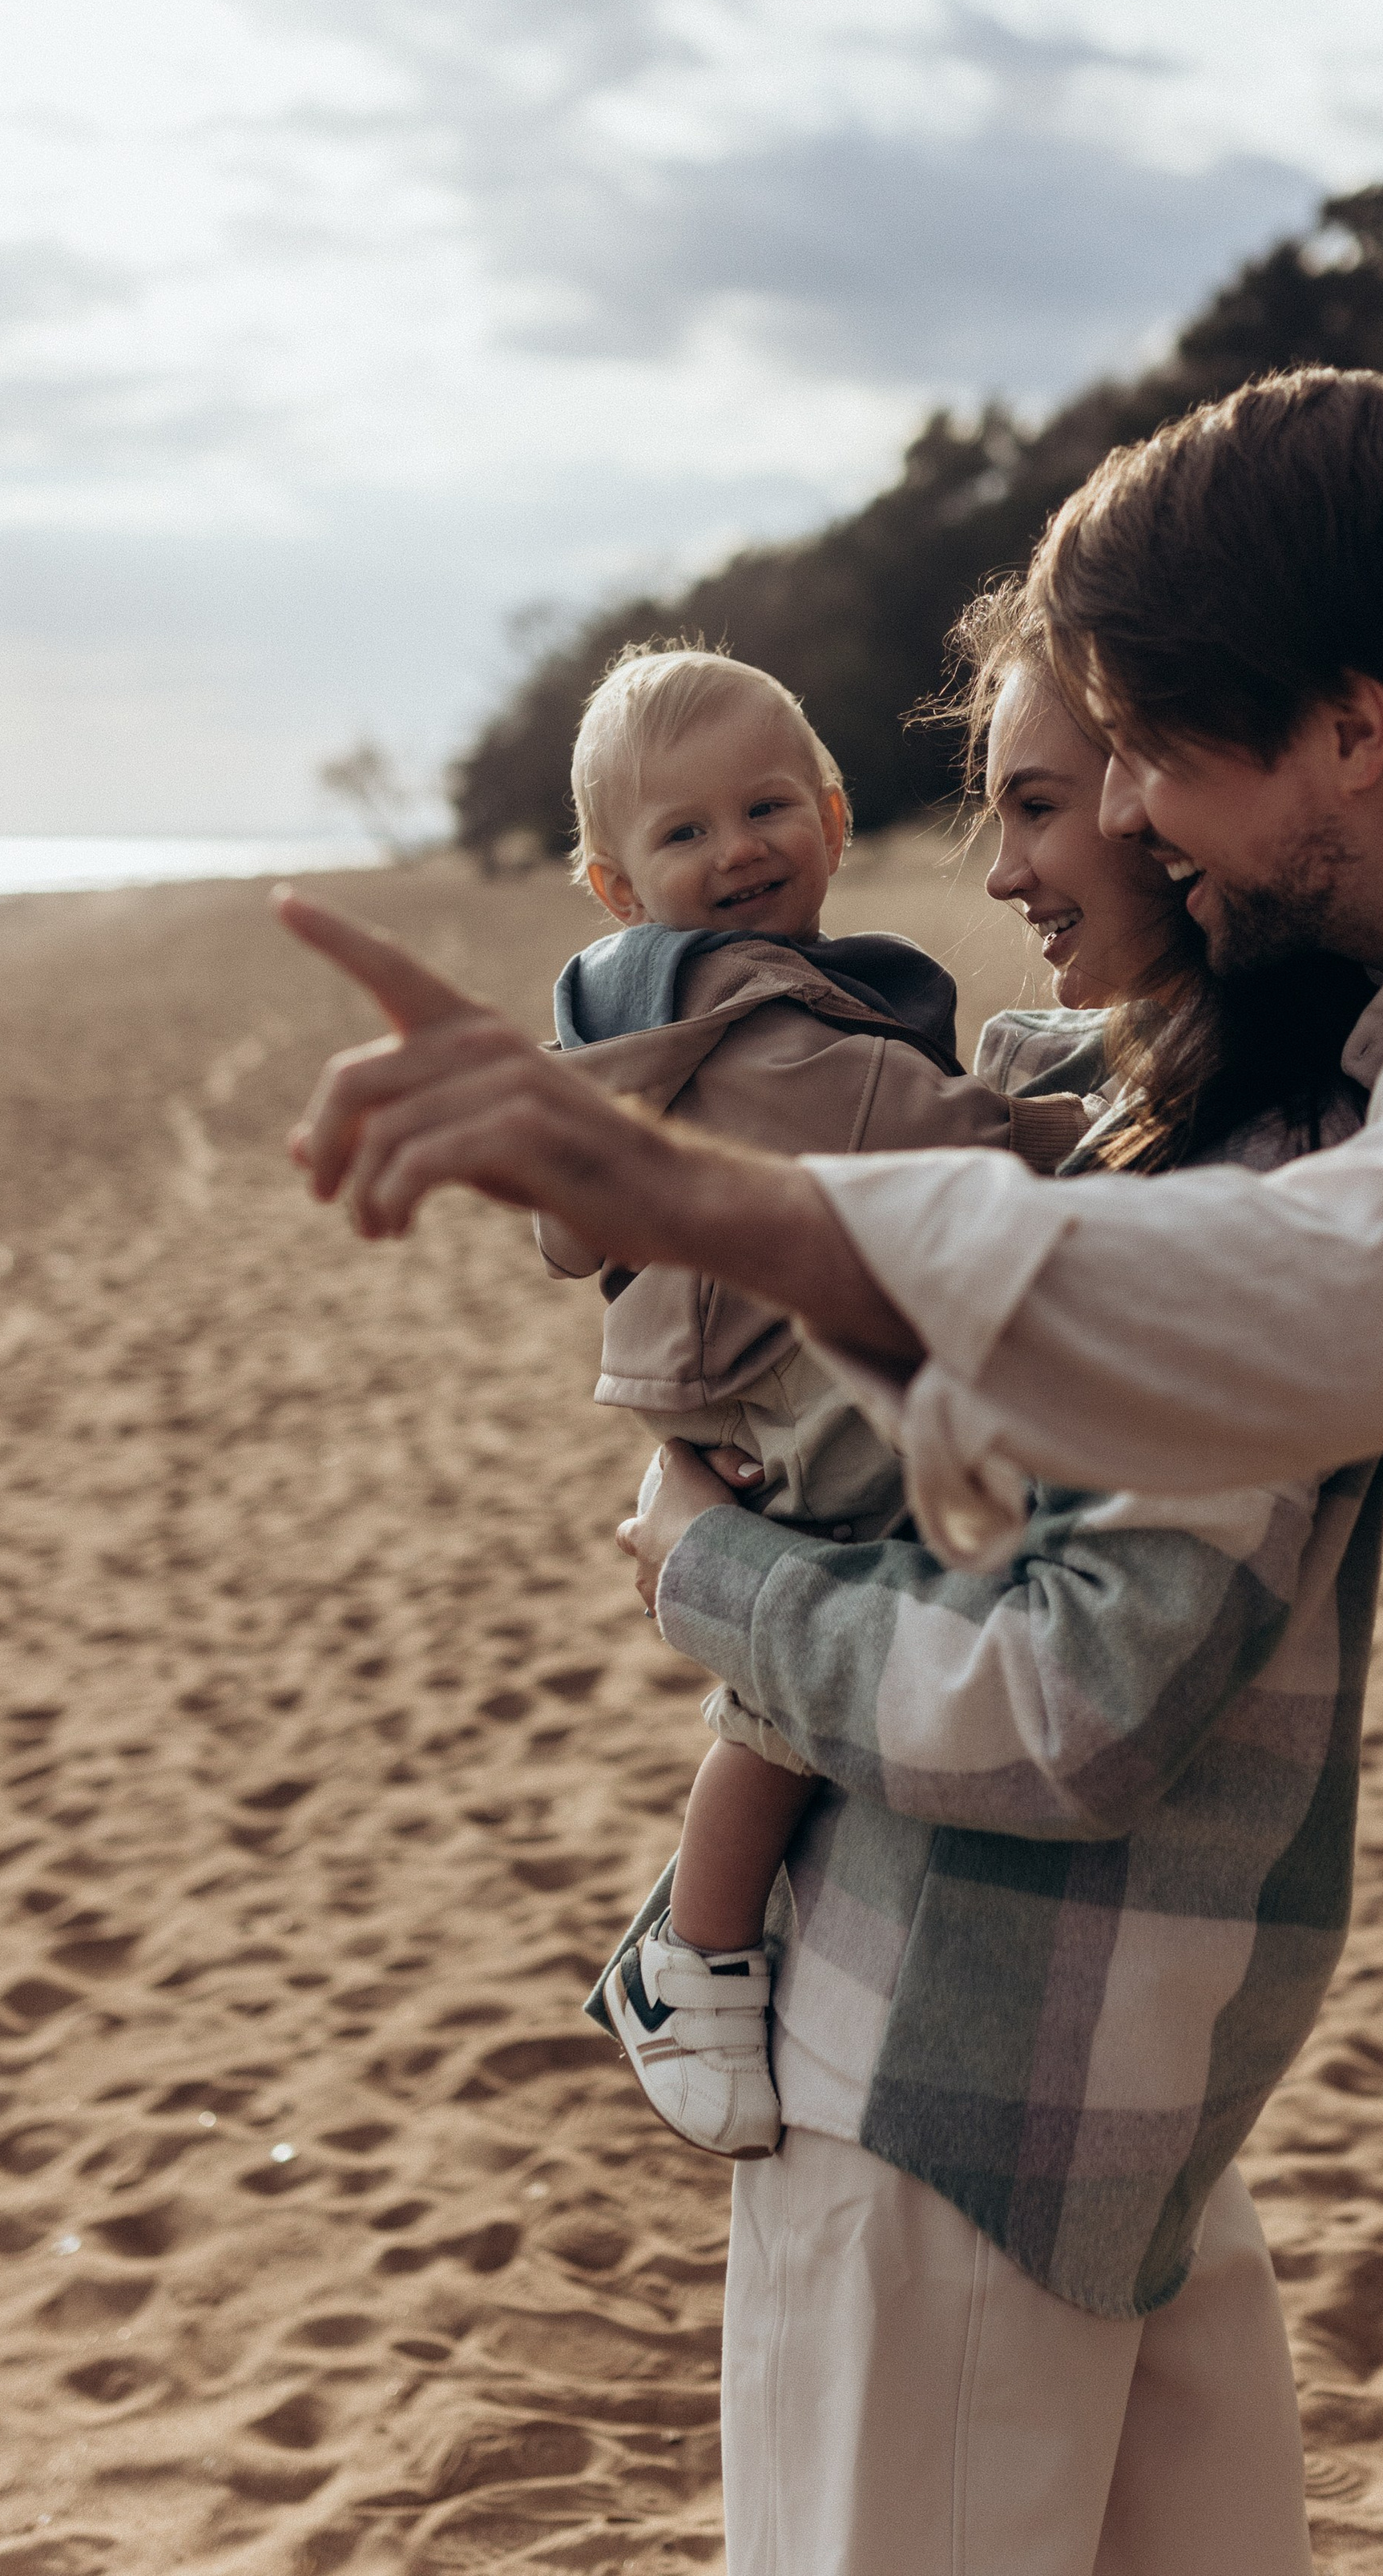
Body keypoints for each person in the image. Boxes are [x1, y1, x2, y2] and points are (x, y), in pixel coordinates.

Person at [288, 364, 1383, 2576]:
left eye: (1146, 755)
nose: (1130, 825)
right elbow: (1119, 1148)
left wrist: (728, 1247)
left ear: (1351, 728)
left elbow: (1298, 1300)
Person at [279, 599, 1383, 2576]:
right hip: (976, 2070)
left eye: (1051, 798)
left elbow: (1080, 1697)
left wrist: (708, 1567)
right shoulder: (1160, 1121)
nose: (1003, 862)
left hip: (1063, 2088)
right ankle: (682, 1943)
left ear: (1194, 794)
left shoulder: (1248, 1169)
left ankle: (679, 1942)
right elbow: (985, 1108)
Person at [528, 641, 1087, 2161]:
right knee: (806, 1651)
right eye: (683, 834)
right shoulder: (751, 1019)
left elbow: (564, 1215)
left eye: (765, 807)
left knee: (830, 1625)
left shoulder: (656, 1015)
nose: (736, 852)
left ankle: (713, 1935)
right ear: (613, 884)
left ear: (834, 818)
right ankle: (690, 1956)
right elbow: (932, 1135)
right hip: (765, 1373)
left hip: (729, 1356)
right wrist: (1089, 1128)